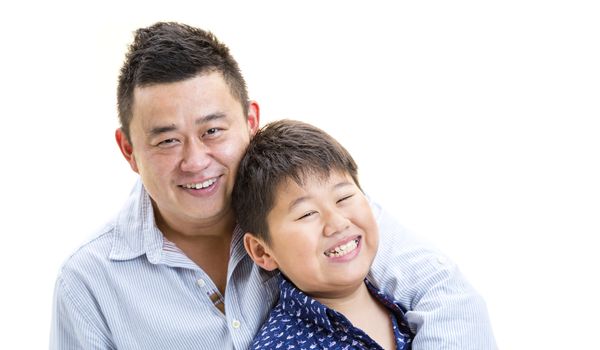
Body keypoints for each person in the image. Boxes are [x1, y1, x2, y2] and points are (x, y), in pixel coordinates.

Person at [50, 22, 496, 349]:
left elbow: (449, 300)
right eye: (167, 140)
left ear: (250, 122)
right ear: (128, 150)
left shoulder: (322, 212)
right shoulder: (88, 282)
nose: (195, 160)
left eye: (213, 131)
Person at [233, 119, 414, 349]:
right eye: (307, 214)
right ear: (262, 251)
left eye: (344, 198)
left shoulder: (412, 300)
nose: (337, 223)